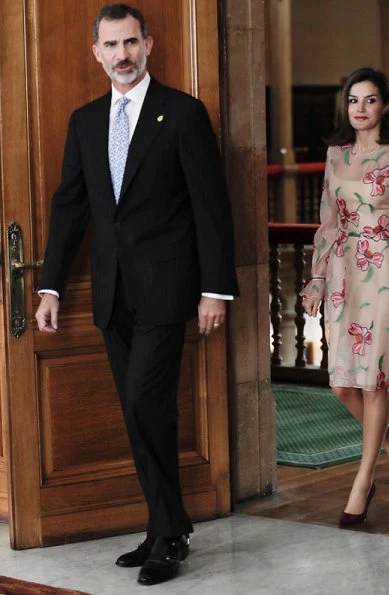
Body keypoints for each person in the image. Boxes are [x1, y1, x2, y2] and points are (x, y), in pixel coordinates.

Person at [35, 3, 239, 586]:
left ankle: (170, 532)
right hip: (112, 294)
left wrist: (215, 289)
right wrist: (49, 286)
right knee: (139, 412)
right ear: (95, 52)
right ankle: (163, 526)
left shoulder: (182, 113)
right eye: (111, 46)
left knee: (147, 404)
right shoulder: (84, 120)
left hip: (169, 291)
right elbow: (71, 208)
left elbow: (210, 208)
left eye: (131, 43)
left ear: (148, 45)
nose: (122, 55)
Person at [301, 67, 389, 527]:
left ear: (385, 106)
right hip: (342, 273)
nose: (360, 108)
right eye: (353, 100)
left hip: (386, 273)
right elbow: (327, 222)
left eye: (370, 100)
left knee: (373, 381)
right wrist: (315, 279)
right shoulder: (335, 157)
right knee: (341, 383)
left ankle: (362, 481)